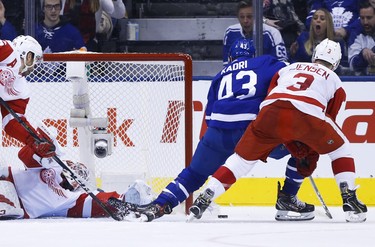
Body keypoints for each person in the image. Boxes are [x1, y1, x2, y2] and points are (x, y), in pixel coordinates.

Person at [130, 38, 316, 222]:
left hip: (218, 132)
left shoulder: (219, 76)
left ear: (229, 57)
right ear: (252, 55)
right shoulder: (265, 62)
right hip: (253, 133)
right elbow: (294, 72)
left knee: (194, 174)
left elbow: (209, 118)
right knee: (306, 148)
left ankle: (161, 203)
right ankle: (288, 197)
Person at [190, 38, 367, 223]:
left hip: (269, 112)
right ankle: (349, 197)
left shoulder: (289, 68)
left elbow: (271, 93)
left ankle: (208, 193)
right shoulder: (335, 80)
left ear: (314, 56)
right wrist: (301, 140)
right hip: (307, 112)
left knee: (241, 159)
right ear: (337, 63)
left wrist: (284, 134)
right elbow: (327, 117)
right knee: (340, 149)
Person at [0, 123, 152, 219]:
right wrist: (41, 146)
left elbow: (98, 202)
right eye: (75, 167)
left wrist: (127, 200)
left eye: (80, 172)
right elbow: (25, 156)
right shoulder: (52, 166)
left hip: (12, 207)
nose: (75, 171)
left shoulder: (69, 199)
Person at [0, 35, 60, 162]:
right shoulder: (8, 50)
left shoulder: (21, 88)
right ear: (29, 56)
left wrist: (35, 141)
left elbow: (12, 122)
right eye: (35, 60)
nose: (33, 67)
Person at [223, 0, 288, 65]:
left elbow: (282, 63)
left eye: (249, 17)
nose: (245, 20)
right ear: (237, 17)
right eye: (242, 17)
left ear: (257, 16)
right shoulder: (230, 32)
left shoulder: (273, 33)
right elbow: (227, 65)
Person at [348, 0, 375, 75]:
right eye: (362, 18)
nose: (365, 22)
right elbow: (352, 65)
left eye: (369, 18)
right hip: (365, 81)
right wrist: (362, 54)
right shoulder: (356, 33)